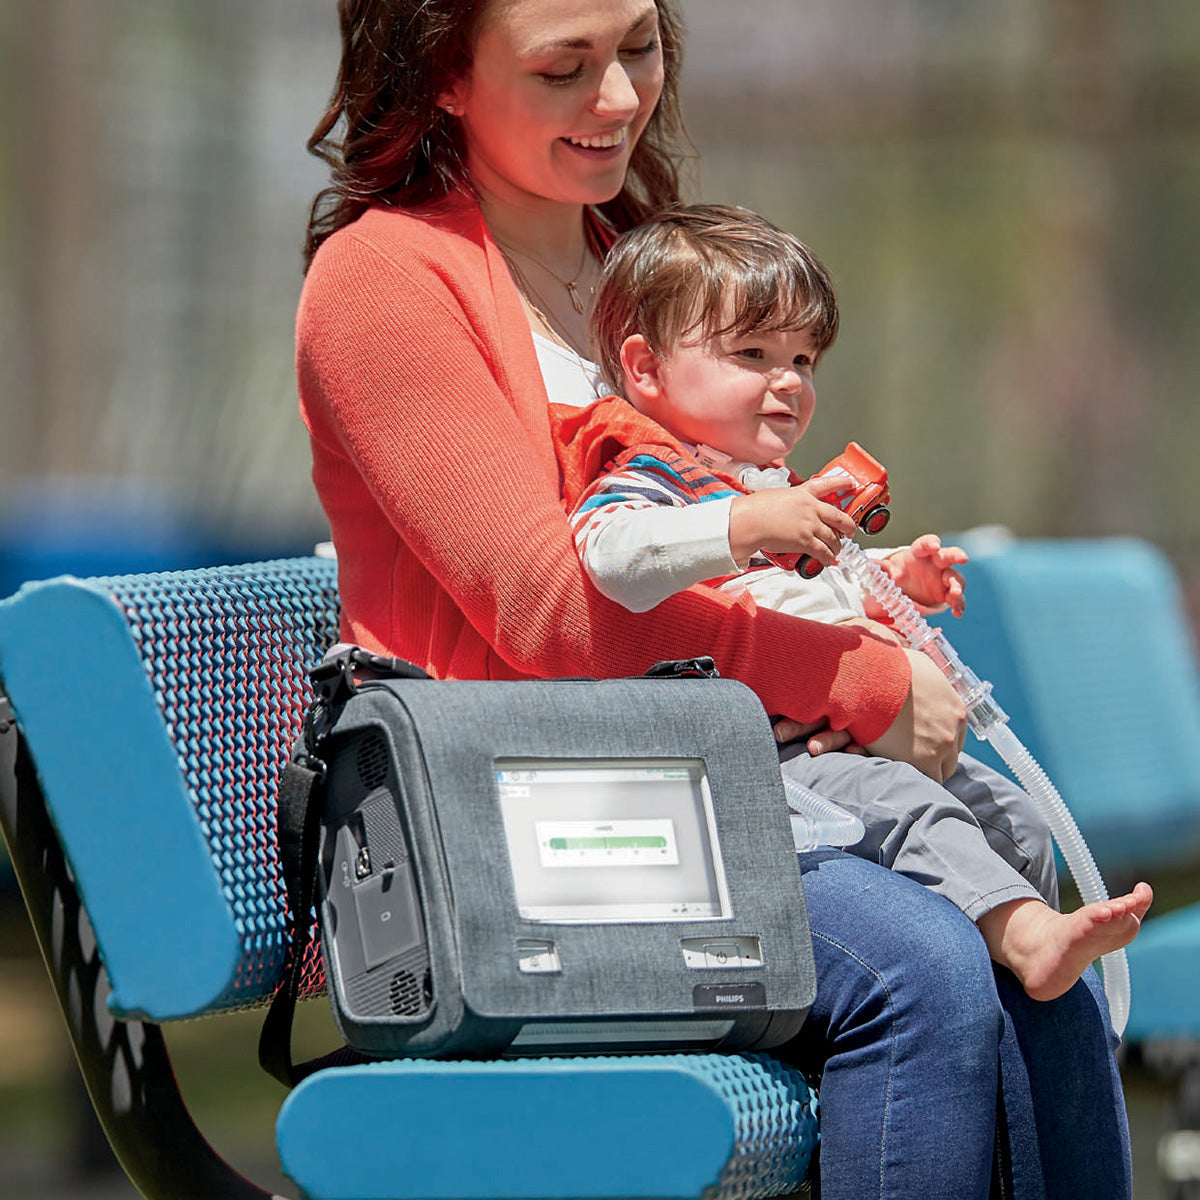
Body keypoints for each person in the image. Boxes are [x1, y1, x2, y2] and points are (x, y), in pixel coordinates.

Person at [295, 0, 1134, 1194]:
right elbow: (545, 610)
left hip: (719, 783)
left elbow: (734, 540)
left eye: (637, 47)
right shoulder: (385, 280)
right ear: (443, 74)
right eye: (563, 68)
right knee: (921, 969)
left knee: (1029, 943)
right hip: (545, 827)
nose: (621, 99)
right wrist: (858, 682)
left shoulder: (636, 256)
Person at [553, 202, 1153, 1004]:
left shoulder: (772, 488)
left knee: (1017, 822)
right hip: (769, 767)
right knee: (911, 807)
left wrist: (898, 581)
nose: (788, 382)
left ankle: (1017, 983)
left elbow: (824, 590)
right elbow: (609, 559)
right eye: (753, 353)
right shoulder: (650, 481)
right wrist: (745, 523)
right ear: (647, 368)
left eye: (803, 359)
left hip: (845, 746)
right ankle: (1026, 938)